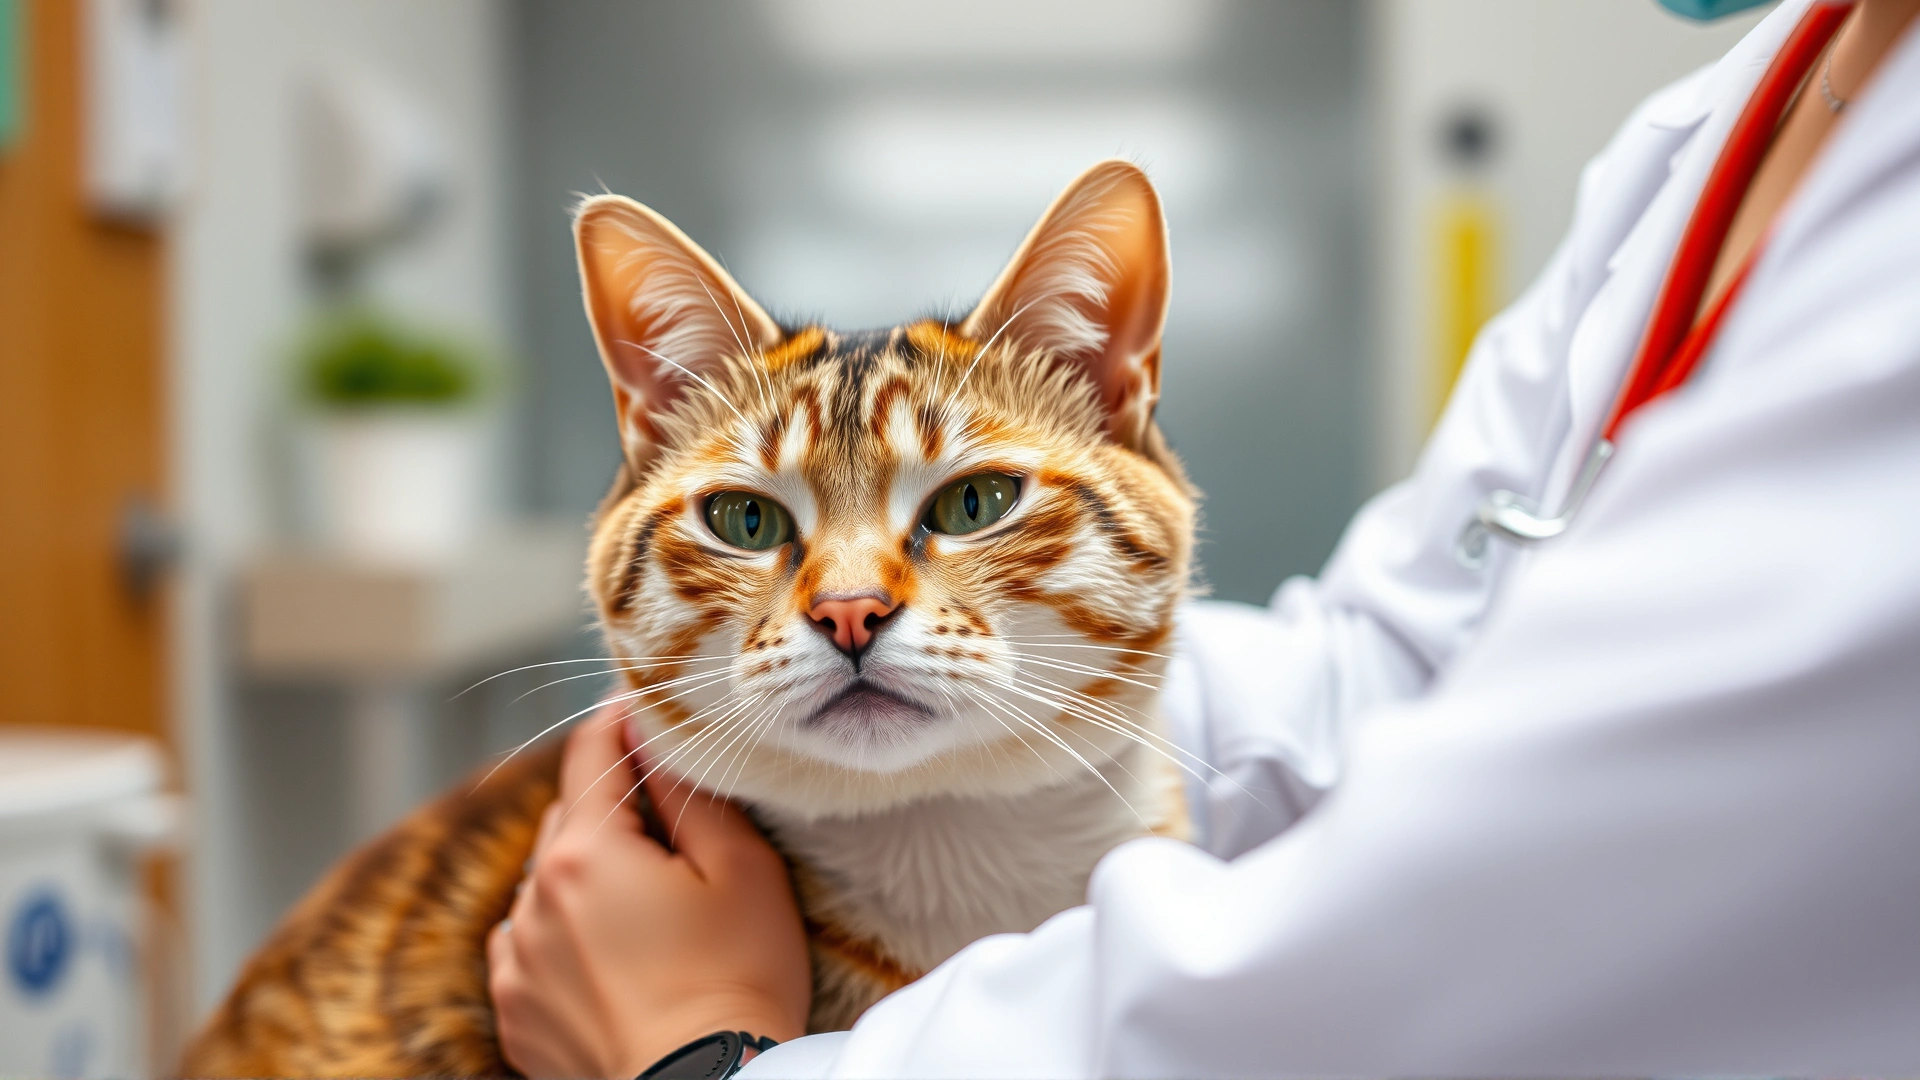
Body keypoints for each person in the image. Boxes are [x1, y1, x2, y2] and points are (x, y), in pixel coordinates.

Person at [485, 0, 1920, 1074]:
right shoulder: (1733, 115)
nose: (849, 602)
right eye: (751, 521)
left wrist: (704, 1060)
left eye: (967, 504)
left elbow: (1424, 975)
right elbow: (1397, 657)